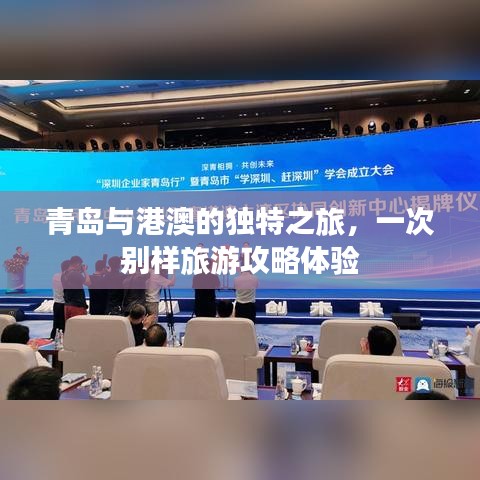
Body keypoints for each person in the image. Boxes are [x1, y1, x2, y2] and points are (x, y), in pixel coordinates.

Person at [146, 259, 176, 324]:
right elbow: (171, 283)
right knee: (153, 323)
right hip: (153, 302)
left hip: (144, 301)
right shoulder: (157, 276)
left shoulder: (149, 271)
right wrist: (173, 272)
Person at [61, 256, 90, 321]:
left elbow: (75, 278)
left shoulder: (64, 274)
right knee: (79, 326)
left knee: (70, 326)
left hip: (67, 306)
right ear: (77, 264)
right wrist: (85, 271)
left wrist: (80, 271)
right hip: (77, 306)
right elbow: (88, 283)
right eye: (80, 265)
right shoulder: (76, 274)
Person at [50, 259, 70, 339]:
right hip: (64, 304)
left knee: (56, 325)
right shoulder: (66, 278)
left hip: (56, 303)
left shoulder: (55, 276)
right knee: (63, 326)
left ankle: (53, 337)